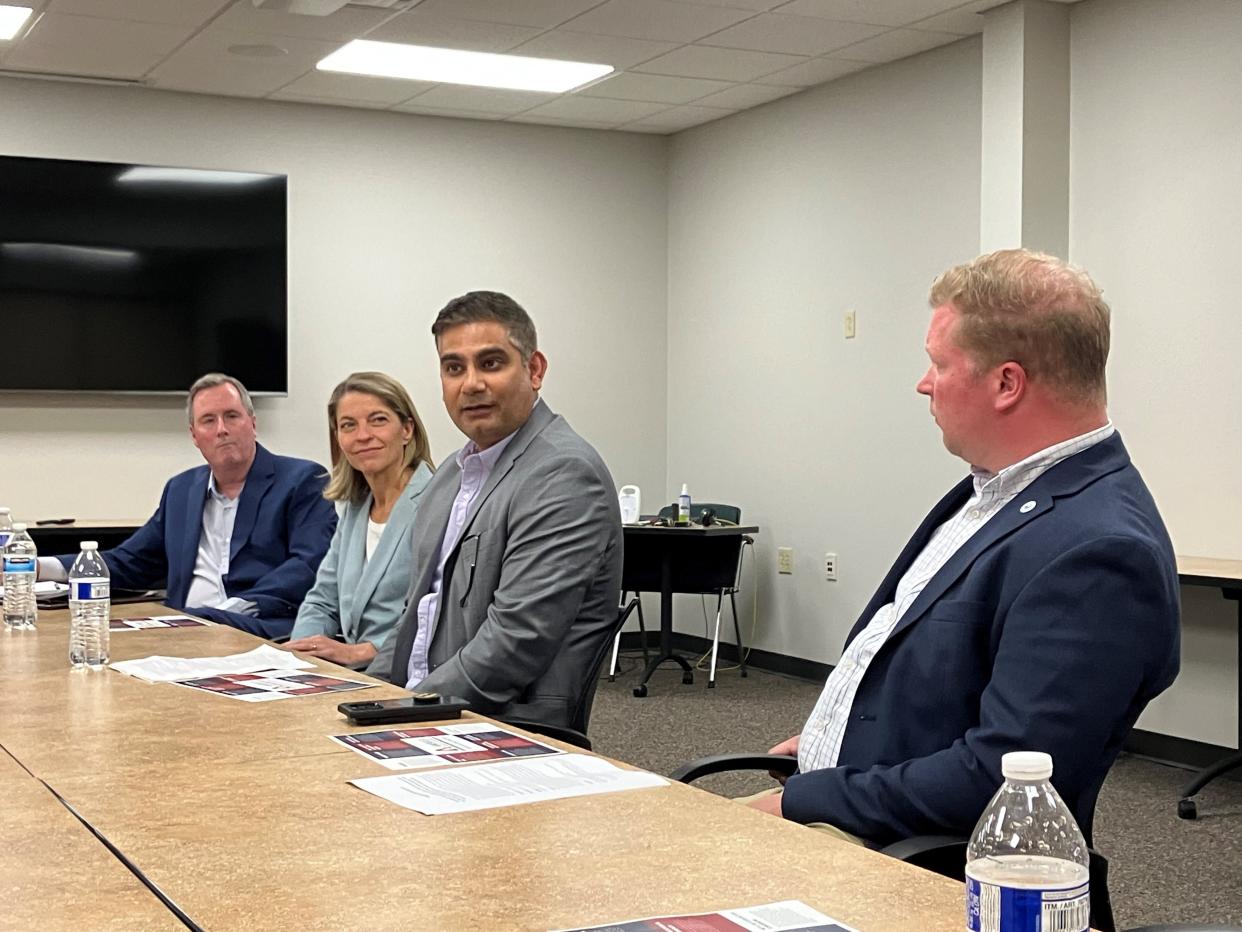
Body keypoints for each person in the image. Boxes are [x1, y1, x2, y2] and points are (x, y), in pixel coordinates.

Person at [749, 249, 1180, 846]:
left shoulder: (1100, 553)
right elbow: (948, 677)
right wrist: (840, 737)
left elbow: (1005, 778)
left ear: (1006, 383)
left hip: (916, 866)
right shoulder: (996, 490)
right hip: (868, 810)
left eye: (938, 364)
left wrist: (814, 797)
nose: (923, 383)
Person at [369, 291, 623, 731]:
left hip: (503, 729)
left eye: (490, 363)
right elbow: (415, 618)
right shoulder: (451, 473)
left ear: (535, 369)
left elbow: (514, 644)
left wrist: (405, 712)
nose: (470, 384)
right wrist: (367, 697)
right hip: (431, 712)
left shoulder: (563, 474)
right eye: (453, 368)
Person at [39, 373, 336, 639]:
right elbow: (131, 561)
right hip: (185, 631)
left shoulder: (303, 480)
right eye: (209, 420)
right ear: (194, 436)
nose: (222, 429)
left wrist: (225, 613)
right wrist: (38, 567)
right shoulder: (181, 490)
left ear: (252, 423)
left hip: (263, 630)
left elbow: (308, 565)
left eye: (232, 416)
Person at [286, 372, 435, 668]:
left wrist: (363, 652)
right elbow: (321, 600)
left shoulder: (436, 501)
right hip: (349, 672)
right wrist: (302, 653)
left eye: (378, 420)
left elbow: (438, 614)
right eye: (348, 425)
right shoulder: (356, 507)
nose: (363, 435)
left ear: (407, 429)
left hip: (407, 674)